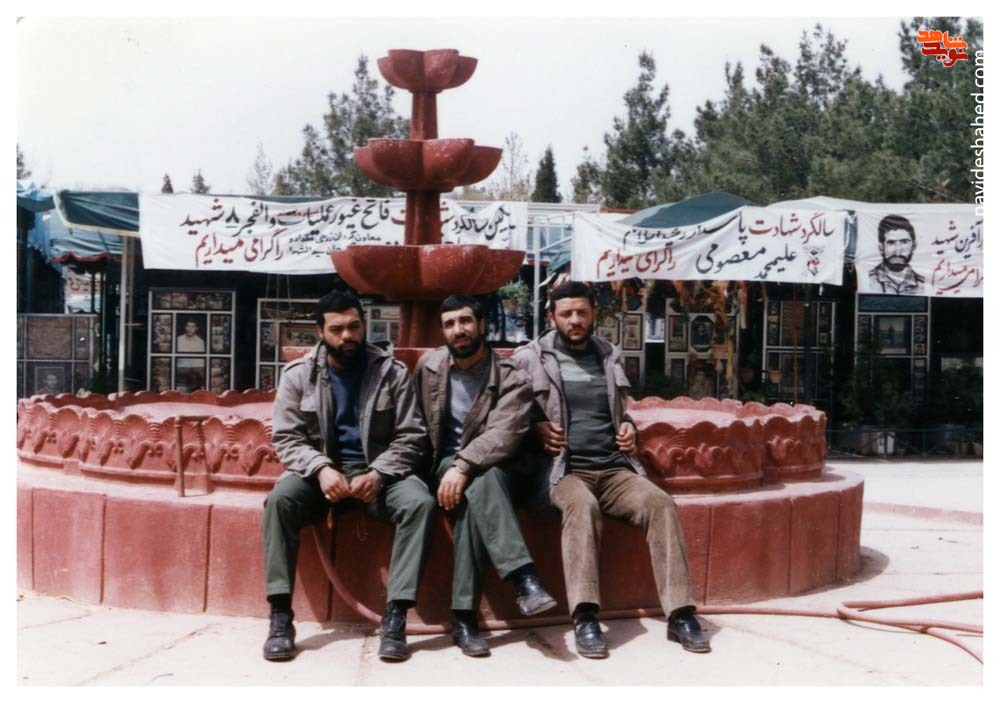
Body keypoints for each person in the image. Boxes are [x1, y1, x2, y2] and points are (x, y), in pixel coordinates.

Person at [511, 281, 710, 658]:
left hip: (614, 468)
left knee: (660, 504)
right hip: (563, 471)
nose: (575, 320)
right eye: (566, 313)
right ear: (551, 317)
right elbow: (507, 414)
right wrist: (535, 425)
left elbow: (620, 410)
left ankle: (680, 614)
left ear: (593, 315)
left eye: (582, 312)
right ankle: (585, 616)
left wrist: (629, 427)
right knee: (581, 506)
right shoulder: (529, 358)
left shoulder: (608, 354)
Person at [261, 290, 435, 662]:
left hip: (379, 474)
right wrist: (321, 468)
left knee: (419, 503)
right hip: (320, 475)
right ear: (320, 332)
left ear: (364, 325)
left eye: (354, 327)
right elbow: (286, 437)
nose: (347, 337)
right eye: (337, 329)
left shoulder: (391, 372)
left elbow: (412, 435)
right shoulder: (298, 375)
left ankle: (396, 616)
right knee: (279, 501)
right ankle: (280, 616)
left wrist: (380, 472)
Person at [412, 295, 556, 656]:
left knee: (481, 487)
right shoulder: (429, 366)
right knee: (481, 482)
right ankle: (523, 580)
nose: (458, 330)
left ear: (481, 325)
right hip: (442, 466)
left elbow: (503, 434)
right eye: (449, 324)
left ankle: (464, 618)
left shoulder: (511, 376)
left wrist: (463, 466)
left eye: (465, 321)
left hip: (494, 468)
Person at [867, 214, 926, 295]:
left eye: (904, 242)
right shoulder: (867, 280)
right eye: (891, 243)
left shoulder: (924, 284)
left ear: (914, 246)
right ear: (881, 248)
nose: (898, 252)